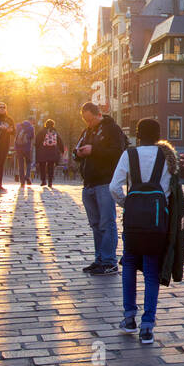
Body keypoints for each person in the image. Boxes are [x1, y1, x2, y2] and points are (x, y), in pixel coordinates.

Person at [110, 118, 176, 345]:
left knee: (128, 262)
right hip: (157, 220)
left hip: (133, 219)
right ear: (158, 135)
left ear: (138, 135)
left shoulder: (130, 155)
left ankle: (129, 316)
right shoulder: (166, 157)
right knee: (151, 269)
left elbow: (114, 187)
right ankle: (147, 326)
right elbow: (171, 190)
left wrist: (126, 203)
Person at [75, 101, 128, 274]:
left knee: (107, 223)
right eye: (85, 120)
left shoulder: (112, 129)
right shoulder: (87, 131)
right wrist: (78, 153)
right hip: (89, 183)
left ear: (98, 114)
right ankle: (99, 259)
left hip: (105, 181)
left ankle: (109, 261)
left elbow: (118, 152)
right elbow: (79, 150)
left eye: (90, 120)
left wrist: (93, 150)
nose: (88, 123)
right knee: (95, 225)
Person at [35, 118, 65, 189]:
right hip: (53, 152)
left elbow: (37, 141)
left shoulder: (42, 131)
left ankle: (43, 180)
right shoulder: (55, 132)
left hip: (43, 152)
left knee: (42, 166)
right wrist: (62, 150)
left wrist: (37, 148)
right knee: (51, 167)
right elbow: (60, 141)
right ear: (53, 125)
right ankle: (50, 182)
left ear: (46, 124)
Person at [15, 117, 36, 188]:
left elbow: (15, 135)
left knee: (20, 165)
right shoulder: (31, 127)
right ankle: (27, 176)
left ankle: (22, 182)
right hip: (27, 148)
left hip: (18, 148)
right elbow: (32, 137)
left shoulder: (18, 126)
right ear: (31, 121)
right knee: (29, 163)